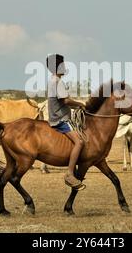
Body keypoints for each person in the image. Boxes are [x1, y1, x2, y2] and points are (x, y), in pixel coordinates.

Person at [46, 54, 86, 190]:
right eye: (63, 65)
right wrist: (80, 104)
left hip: (55, 117)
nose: (65, 67)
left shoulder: (53, 81)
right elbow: (66, 101)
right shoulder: (58, 82)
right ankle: (69, 174)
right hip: (61, 119)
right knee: (80, 142)